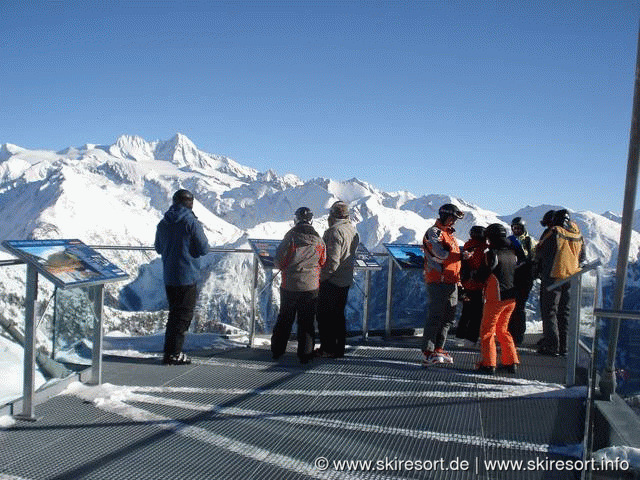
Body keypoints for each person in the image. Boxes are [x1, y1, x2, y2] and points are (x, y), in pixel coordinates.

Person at [155, 189, 210, 365]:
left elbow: (158, 248)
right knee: (183, 316)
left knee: (174, 315)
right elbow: (203, 248)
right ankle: (174, 354)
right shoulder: (191, 222)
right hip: (187, 275)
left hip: (169, 275)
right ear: (190, 203)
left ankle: (170, 352)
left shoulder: (163, 223)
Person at [271, 207, 326, 363]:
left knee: (285, 318)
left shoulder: (290, 238)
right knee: (307, 321)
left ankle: (277, 350)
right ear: (311, 220)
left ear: (296, 220)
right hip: (311, 286)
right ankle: (305, 354)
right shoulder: (318, 240)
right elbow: (322, 261)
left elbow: (280, 261)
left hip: (290, 285)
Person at [534, 209, 585, 356]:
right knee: (564, 312)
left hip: (553, 278)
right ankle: (564, 347)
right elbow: (582, 257)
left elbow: (541, 254)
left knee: (550, 312)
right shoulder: (578, 234)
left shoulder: (554, 232)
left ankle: (551, 346)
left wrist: (539, 270)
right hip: (571, 278)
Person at [421, 203, 465, 366]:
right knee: (435, 316)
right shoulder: (434, 232)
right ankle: (427, 351)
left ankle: (439, 348)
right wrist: (460, 256)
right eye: (452, 218)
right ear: (444, 215)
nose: (453, 221)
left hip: (451, 281)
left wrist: (459, 280)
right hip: (437, 281)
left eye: (455, 219)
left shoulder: (450, 235)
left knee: (448, 318)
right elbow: (438, 254)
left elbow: (453, 261)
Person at [315, 201, 360, 359]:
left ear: (333, 214)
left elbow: (332, 261)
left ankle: (327, 348)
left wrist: (321, 278)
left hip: (332, 280)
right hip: (346, 279)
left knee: (325, 316)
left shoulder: (334, 232)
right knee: (338, 316)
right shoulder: (352, 230)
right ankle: (338, 349)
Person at [475, 223, 520, 374]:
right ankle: (511, 362)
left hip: (496, 297)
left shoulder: (492, 253)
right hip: (511, 298)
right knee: (503, 330)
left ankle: (488, 364)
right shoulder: (512, 253)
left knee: (487, 331)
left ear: (491, 237)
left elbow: (482, 274)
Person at [455, 226, 487, 344]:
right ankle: (471, 338)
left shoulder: (467, 246)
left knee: (466, 312)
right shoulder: (483, 248)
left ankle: (459, 336)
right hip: (478, 285)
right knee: (477, 313)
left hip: (466, 284)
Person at [507, 217, 537, 345]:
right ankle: (509, 334)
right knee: (510, 306)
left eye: (519, 228)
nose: (516, 230)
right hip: (512, 277)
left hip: (525, 277)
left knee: (519, 307)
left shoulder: (530, 241)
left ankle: (518, 336)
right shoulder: (509, 240)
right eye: (514, 228)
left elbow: (534, 257)